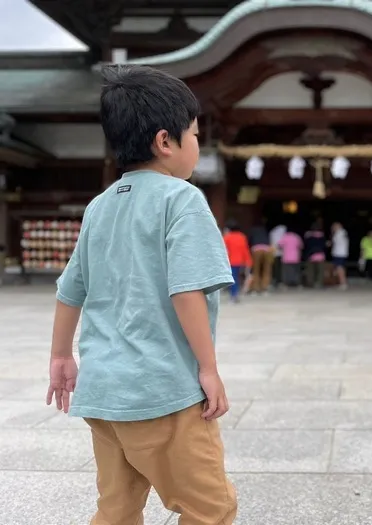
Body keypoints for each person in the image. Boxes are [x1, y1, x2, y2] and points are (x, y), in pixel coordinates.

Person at [45, 65, 237, 523]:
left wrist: (60, 358)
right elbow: (186, 289)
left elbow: (70, 291)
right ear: (165, 141)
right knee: (211, 507)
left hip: (104, 394)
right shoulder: (182, 199)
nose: (198, 146)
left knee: (117, 509)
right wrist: (208, 368)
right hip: (163, 390)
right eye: (195, 135)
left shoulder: (99, 205)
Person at [223, 220, 252, 302]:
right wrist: (248, 261)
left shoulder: (227, 237)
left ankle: (234, 295)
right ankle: (235, 294)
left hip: (230, 261)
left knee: (233, 278)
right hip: (241, 261)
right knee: (237, 278)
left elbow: (224, 250)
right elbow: (245, 249)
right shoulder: (242, 236)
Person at [248, 223, 274, 294]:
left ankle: (256, 288)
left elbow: (249, 242)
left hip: (256, 250)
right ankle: (265, 288)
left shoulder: (252, 231)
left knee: (256, 270)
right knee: (267, 270)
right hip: (267, 249)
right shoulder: (265, 231)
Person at [304, 220, 326, 289]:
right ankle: (319, 283)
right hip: (320, 255)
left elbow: (306, 246)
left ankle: (310, 283)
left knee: (310, 270)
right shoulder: (322, 236)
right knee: (320, 271)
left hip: (311, 255)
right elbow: (324, 246)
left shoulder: (308, 236)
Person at [330, 222, 349, 290]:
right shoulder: (342, 233)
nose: (333, 228)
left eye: (334, 227)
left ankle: (343, 283)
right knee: (340, 268)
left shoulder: (339, 233)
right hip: (341, 253)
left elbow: (334, 242)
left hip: (339, 253)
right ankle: (341, 282)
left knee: (339, 268)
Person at [269, 223, 287, 288]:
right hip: (280, 253)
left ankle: (275, 281)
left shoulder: (272, 233)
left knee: (275, 268)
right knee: (279, 269)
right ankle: (279, 281)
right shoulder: (282, 233)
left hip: (273, 253)